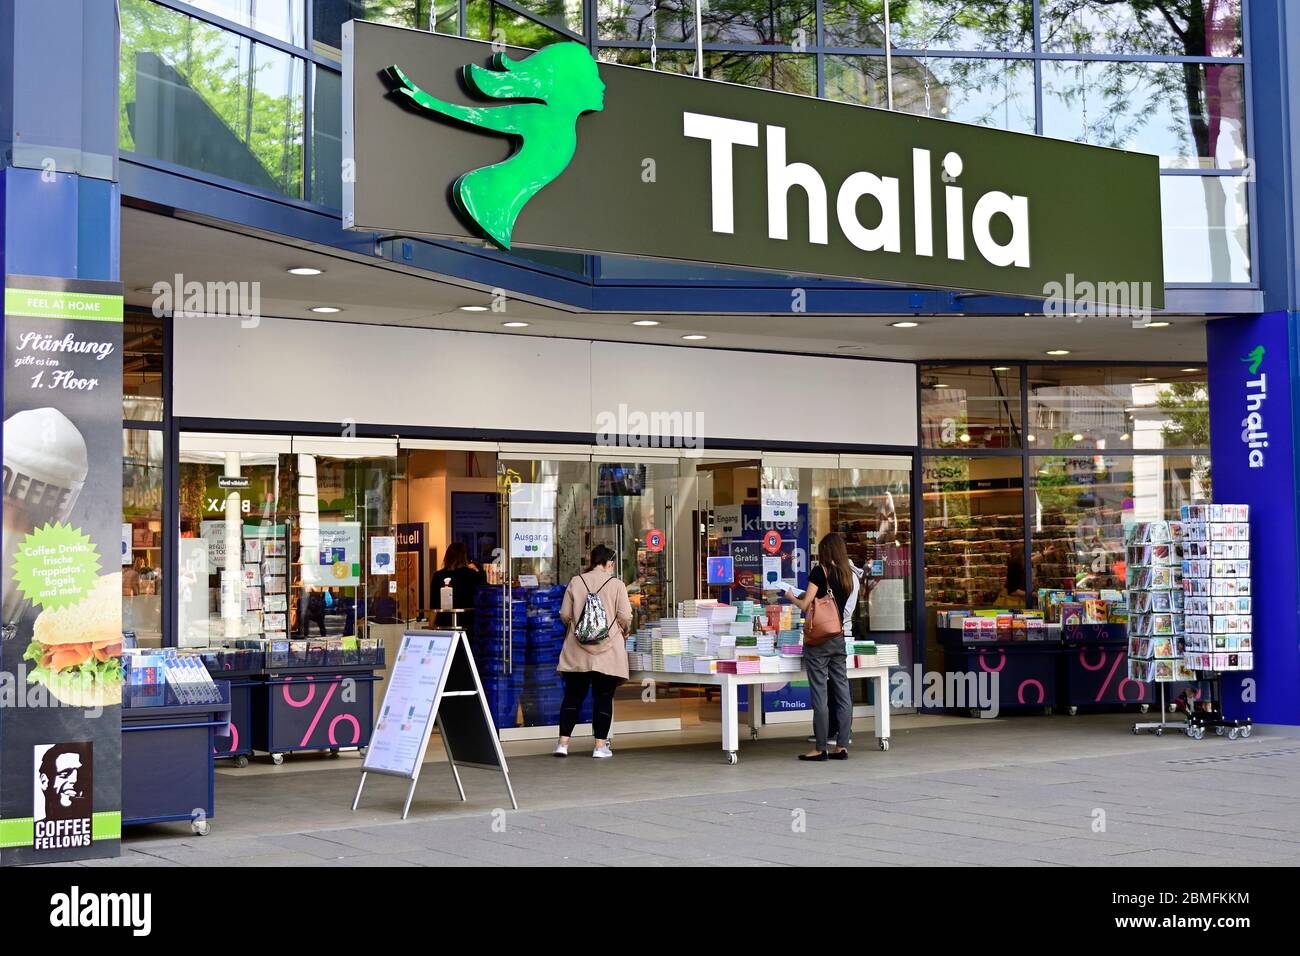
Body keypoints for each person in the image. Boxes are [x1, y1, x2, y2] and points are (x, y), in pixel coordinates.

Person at [555, 544, 631, 759]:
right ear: (608, 563)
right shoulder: (617, 585)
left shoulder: (576, 581)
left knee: (572, 696)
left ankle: (563, 743)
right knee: (603, 697)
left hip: (577, 650)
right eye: (612, 564)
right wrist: (623, 630)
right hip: (608, 651)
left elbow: (565, 614)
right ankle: (599, 746)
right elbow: (625, 616)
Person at [786, 533, 855, 761]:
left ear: (825, 551)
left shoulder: (819, 571)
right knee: (842, 691)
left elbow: (806, 606)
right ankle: (842, 746)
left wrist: (791, 597)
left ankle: (820, 747)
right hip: (838, 637)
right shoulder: (848, 575)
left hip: (819, 641)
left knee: (820, 693)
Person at [432, 542, 487, 630]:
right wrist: (479, 571)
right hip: (468, 623)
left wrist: (431, 627)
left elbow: (434, 605)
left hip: (444, 623)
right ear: (464, 557)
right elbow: (484, 595)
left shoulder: (438, 576)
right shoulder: (472, 575)